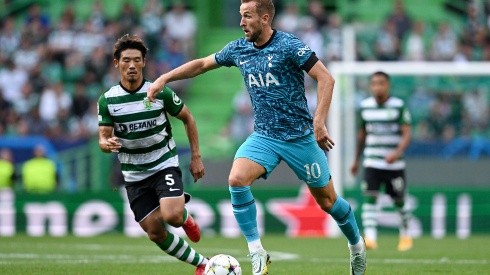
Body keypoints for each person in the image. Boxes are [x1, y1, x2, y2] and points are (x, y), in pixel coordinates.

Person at [147, 1, 367, 274]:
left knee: (328, 202)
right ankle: (257, 252)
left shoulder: (289, 46)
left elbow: (326, 79)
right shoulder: (239, 49)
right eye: (240, 16)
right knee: (236, 179)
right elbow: (203, 64)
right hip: (264, 137)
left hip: (300, 138)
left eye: (247, 16)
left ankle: (356, 246)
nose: (241, 22)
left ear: (264, 18)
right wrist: (164, 78)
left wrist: (319, 121)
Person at [97, 34, 208, 275]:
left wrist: (196, 156)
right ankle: (203, 264)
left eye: (137, 60)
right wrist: (108, 144)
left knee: (172, 216)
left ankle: (184, 217)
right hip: (134, 175)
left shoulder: (158, 92)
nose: (132, 65)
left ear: (144, 62)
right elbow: (102, 138)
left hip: (163, 164)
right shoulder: (108, 101)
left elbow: (188, 117)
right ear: (116, 63)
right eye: (126, 60)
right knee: (154, 231)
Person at [350, 71, 413, 252]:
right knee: (370, 197)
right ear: (371, 86)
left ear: (388, 85)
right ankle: (370, 237)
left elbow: (407, 134)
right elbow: (361, 135)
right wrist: (355, 160)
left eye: (382, 83)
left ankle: (405, 235)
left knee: (399, 201)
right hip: (372, 161)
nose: (378, 86)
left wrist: (397, 152)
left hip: (394, 163)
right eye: (375, 83)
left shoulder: (398, 106)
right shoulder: (365, 107)